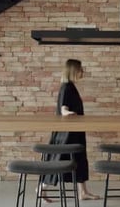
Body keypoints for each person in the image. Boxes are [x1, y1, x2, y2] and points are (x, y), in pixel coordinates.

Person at [37, 59, 100, 202]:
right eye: (80, 69)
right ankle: (41, 188)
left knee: (80, 160)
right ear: (73, 70)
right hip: (66, 135)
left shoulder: (70, 86)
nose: (82, 71)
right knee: (58, 161)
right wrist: (69, 113)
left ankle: (83, 192)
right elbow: (63, 109)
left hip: (74, 132)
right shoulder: (66, 87)